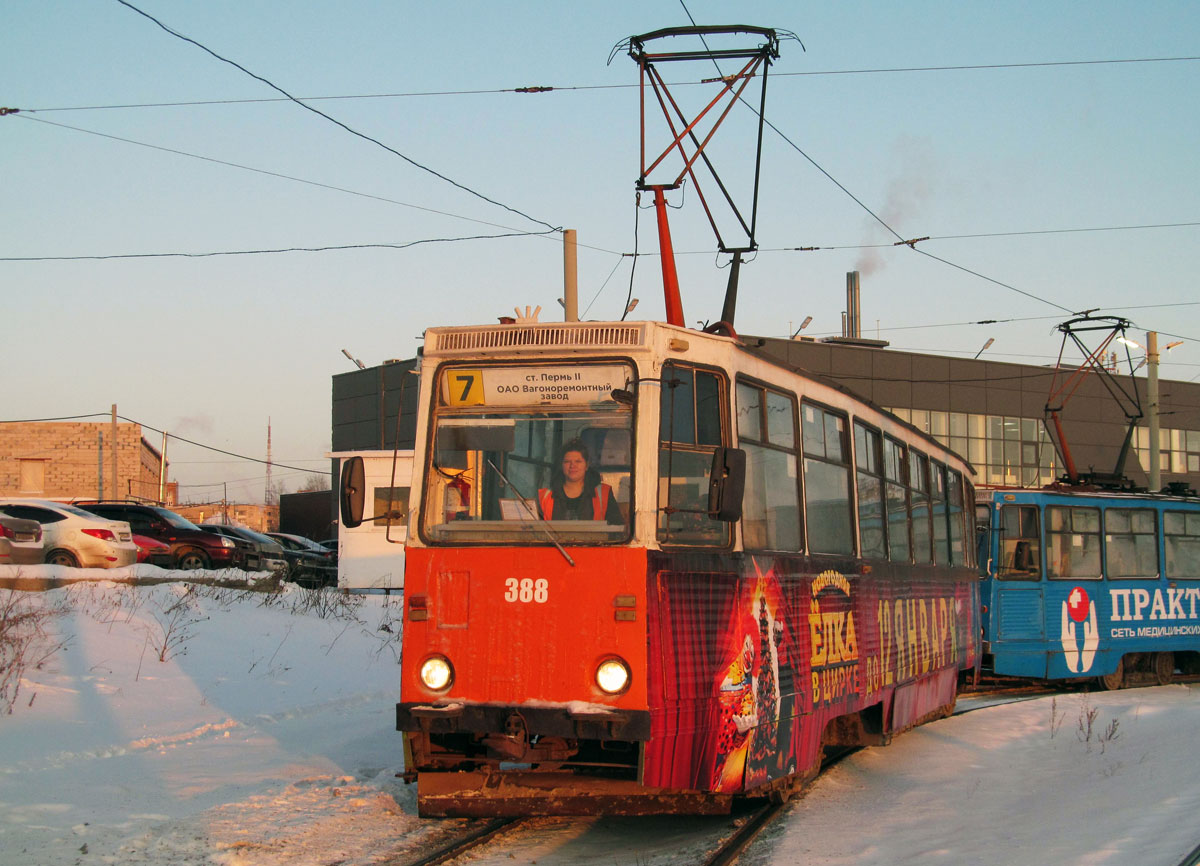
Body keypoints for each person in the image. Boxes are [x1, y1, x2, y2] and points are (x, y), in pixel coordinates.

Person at [537, 438, 624, 524]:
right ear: (561, 465)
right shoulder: (545, 496)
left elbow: (617, 528)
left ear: (586, 465)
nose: (572, 466)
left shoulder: (604, 493)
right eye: (567, 462)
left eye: (578, 461)